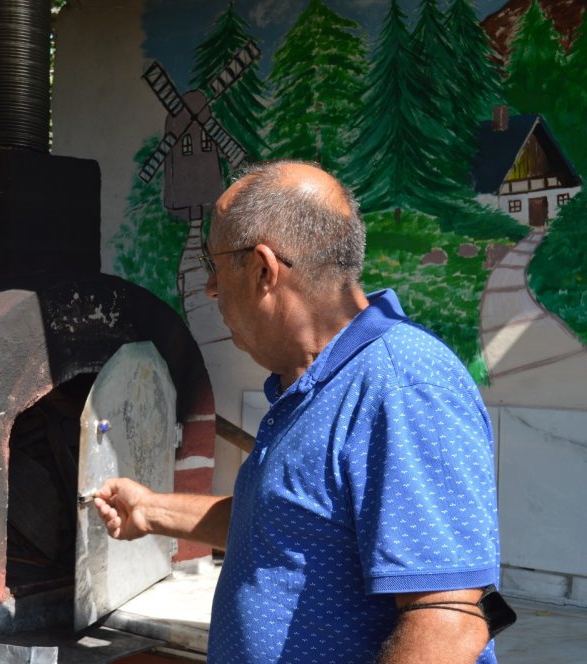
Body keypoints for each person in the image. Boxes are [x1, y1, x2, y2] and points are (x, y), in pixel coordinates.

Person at [93, 160, 501, 663]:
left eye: (215, 268)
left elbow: (448, 625)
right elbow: (283, 526)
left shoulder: (402, 383)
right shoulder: (313, 383)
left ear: (263, 269)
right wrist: (150, 510)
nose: (211, 290)